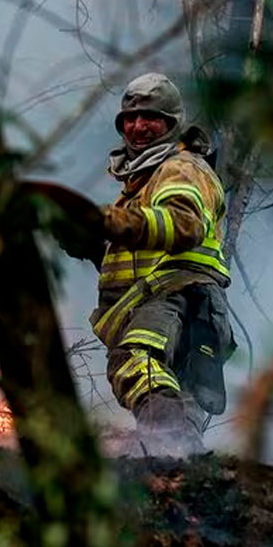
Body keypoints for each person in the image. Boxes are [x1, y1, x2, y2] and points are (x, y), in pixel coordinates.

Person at [88, 73, 235, 456]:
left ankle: (170, 445)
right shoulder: (144, 181)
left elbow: (183, 224)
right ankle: (186, 468)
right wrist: (91, 242)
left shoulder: (181, 167)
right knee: (178, 393)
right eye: (129, 119)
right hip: (186, 306)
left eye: (149, 117)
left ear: (171, 124)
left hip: (174, 297)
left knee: (135, 361)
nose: (137, 126)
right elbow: (143, 250)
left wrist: (112, 222)